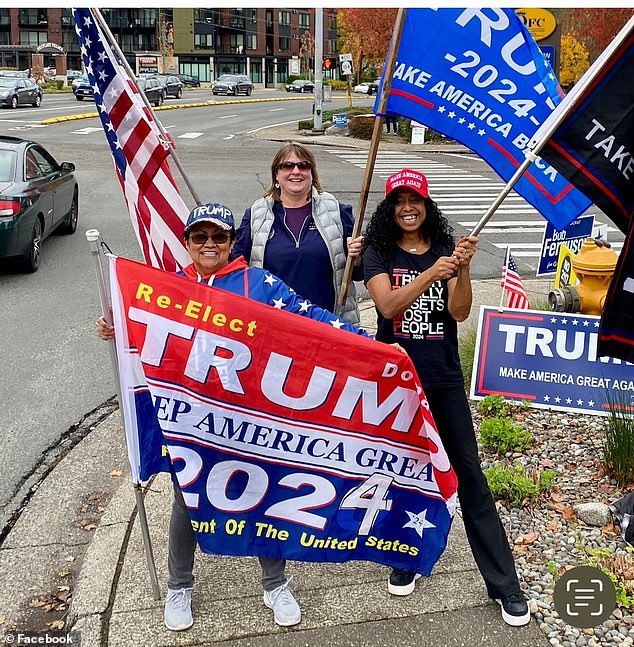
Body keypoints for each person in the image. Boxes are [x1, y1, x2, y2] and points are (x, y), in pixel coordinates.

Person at [97, 202, 373, 633]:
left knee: (263, 494)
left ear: (232, 242)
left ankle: (275, 584)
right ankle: (179, 586)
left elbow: (313, 321)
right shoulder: (169, 288)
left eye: (219, 237)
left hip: (252, 419)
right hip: (190, 419)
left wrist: (368, 345)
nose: (209, 244)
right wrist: (118, 327)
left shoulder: (259, 284)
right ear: (187, 243)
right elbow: (143, 326)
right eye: (200, 237)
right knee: (186, 497)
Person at [362, 169, 531, 628]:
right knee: (401, 472)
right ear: (390, 208)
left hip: (443, 378)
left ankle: (504, 585)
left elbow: (458, 311)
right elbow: (387, 307)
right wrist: (432, 273)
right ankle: (405, 558)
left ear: (426, 204)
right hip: (397, 381)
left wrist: (463, 270)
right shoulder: (379, 252)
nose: (407, 208)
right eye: (398, 201)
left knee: (470, 474)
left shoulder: (444, 251)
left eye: (414, 199)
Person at [230, 141, 363, 325]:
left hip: (328, 325)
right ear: (276, 175)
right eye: (287, 166)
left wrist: (357, 258)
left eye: (303, 165)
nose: (296, 171)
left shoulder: (336, 212)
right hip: (273, 326)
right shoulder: (255, 215)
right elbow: (235, 268)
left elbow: (357, 273)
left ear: (312, 173)